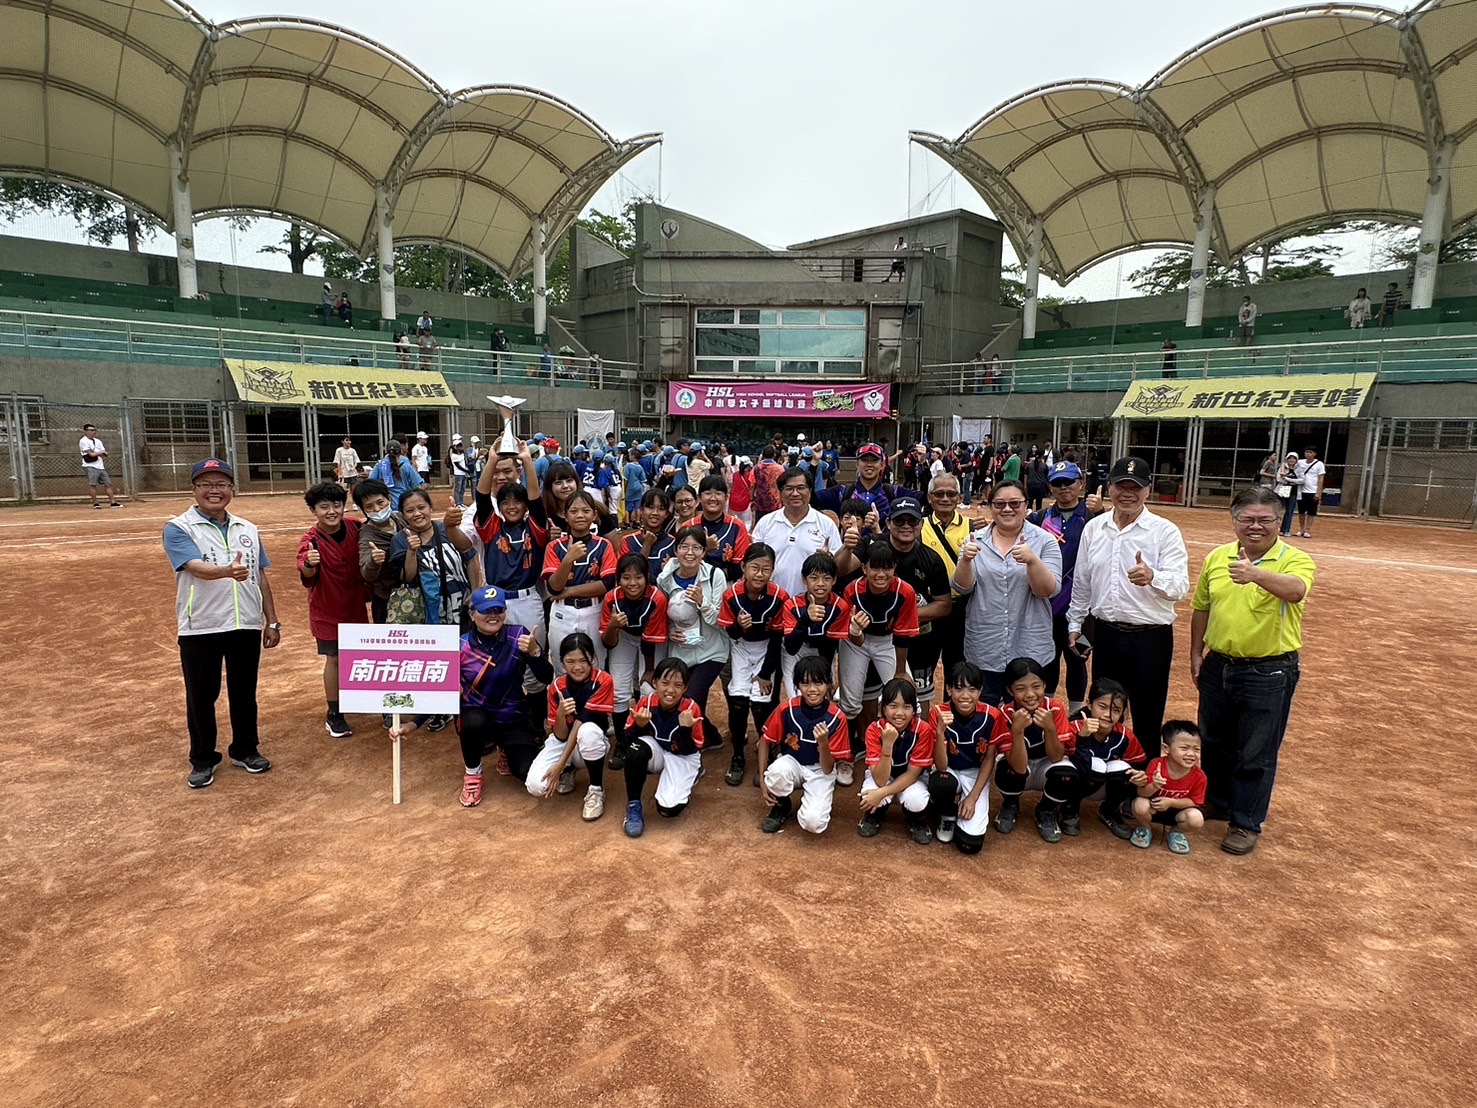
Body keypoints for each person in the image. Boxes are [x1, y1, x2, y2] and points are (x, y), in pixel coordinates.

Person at [1189, 485, 1315, 855]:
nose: (1255, 526)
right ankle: (1217, 800)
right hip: (1219, 664)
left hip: (1269, 670)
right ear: (1234, 521)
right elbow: (1202, 606)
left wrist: (1255, 573)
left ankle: (1245, 822)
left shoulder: (1295, 559)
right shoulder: (1217, 557)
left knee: (1256, 750)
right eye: (1247, 519)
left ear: (1279, 521)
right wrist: (1196, 653)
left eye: (1265, 520)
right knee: (1213, 741)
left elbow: (1296, 591)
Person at [164, 459, 281, 789]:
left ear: (232, 489)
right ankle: (202, 758)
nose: (214, 490)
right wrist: (227, 571)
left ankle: (246, 749)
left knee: (245, 693)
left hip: (244, 623)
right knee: (201, 696)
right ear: (194, 490)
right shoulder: (179, 527)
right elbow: (194, 566)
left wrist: (272, 621)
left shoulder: (248, 528)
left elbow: (259, 575)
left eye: (221, 484)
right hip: (201, 625)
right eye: (206, 484)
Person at [1066, 456, 1190, 760]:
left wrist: (1153, 577)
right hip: (1106, 634)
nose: (1128, 493)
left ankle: (1142, 786)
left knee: (1147, 713)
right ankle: (1102, 778)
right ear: (1110, 488)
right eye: (1121, 486)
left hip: (1151, 638)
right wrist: (1074, 625)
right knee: (1105, 712)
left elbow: (1180, 586)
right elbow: (1082, 582)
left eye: (1136, 487)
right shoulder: (1095, 529)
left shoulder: (1164, 531)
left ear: (1147, 491)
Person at [390, 585, 552, 807]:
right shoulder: (460, 646)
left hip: (513, 719)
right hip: (477, 718)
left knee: (528, 773)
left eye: (498, 609)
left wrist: (534, 653)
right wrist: (415, 724)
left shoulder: (520, 636)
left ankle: (505, 749)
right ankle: (473, 774)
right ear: (472, 614)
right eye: (487, 610)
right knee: (473, 720)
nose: (493, 616)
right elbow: (443, 693)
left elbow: (546, 677)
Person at [836, 496, 950, 713]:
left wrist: (904, 614)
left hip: (918, 637)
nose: (906, 526)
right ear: (888, 523)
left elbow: (943, 605)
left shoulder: (931, 559)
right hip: (867, 633)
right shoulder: (872, 544)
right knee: (864, 695)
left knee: (915, 694)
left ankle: (916, 743)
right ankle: (864, 742)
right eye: (899, 521)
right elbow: (842, 569)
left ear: (921, 523)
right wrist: (847, 548)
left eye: (912, 521)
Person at [952, 479, 1062, 704]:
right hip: (985, 645)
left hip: (1030, 646)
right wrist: (965, 560)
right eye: (999, 504)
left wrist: (1032, 561)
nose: (1007, 509)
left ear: (1026, 506)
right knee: (986, 715)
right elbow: (962, 587)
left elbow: (1047, 591)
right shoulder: (975, 540)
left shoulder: (1045, 541)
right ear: (991, 506)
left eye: (1014, 503)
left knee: (1028, 714)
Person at [838, 542, 921, 785]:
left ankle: (908, 752)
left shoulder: (904, 591)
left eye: (887, 568)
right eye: (875, 568)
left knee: (906, 697)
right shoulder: (852, 590)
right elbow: (855, 637)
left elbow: (903, 634)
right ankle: (846, 753)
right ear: (864, 568)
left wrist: (898, 673)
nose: (881, 574)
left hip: (888, 642)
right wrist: (856, 630)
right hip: (856, 641)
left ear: (895, 568)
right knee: (850, 703)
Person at [1028, 462, 1102, 714]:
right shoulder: (1040, 518)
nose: (1064, 488)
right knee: (1047, 659)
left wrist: (1101, 512)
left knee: (1077, 658)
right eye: (1057, 483)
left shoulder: (1094, 517)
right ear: (1049, 487)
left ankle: (1076, 713)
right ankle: (1046, 708)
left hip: (1081, 608)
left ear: (1081, 483)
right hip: (1046, 606)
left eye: (1069, 482)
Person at [296, 482, 367, 739]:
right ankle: (334, 713)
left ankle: (354, 699)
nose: (331, 511)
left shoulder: (355, 526)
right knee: (334, 659)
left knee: (356, 655)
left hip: (355, 606)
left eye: (336, 505)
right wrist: (310, 564)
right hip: (327, 610)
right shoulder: (310, 540)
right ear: (313, 510)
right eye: (323, 507)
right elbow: (306, 572)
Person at [719, 543, 789, 786]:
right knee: (738, 702)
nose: (759, 574)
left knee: (762, 703)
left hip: (767, 649)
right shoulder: (731, 595)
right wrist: (740, 626)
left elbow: (778, 636)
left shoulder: (780, 596)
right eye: (754, 568)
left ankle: (766, 749)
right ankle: (738, 754)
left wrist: (765, 673)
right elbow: (731, 632)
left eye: (765, 569)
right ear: (743, 567)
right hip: (740, 647)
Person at [757, 654, 851, 834]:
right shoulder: (787, 709)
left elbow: (827, 768)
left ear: (829, 684)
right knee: (776, 773)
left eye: (818, 683)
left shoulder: (837, 718)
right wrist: (762, 779)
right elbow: (764, 740)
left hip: (819, 770)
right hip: (792, 762)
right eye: (805, 683)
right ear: (797, 685)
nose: (812, 689)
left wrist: (823, 744)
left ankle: (815, 799)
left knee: (813, 823)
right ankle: (782, 805)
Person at [525, 632, 614, 821]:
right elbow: (559, 735)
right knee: (535, 785)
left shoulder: (603, 680)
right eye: (570, 661)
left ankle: (596, 789)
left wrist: (559, 764)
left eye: (583, 660)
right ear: (562, 662)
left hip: (590, 742)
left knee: (587, 732)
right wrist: (560, 715)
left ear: (593, 658)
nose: (577, 667)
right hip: (565, 741)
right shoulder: (557, 686)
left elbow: (581, 722)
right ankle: (570, 769)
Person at [656, 525, 728, 750]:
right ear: (676, 550)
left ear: (704, 552)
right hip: (681, 651)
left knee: (694, 695)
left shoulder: (715, 576)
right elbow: (660, 616)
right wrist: (669, 633)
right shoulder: (665, 579)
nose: (690, 553)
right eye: (684, 547)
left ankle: (692, 746)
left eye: (696, 548)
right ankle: (710, 736)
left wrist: (702, 603)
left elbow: (721, 621)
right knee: (682, 696)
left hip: (712, 649)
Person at [926, 662, 1009, 854]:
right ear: (948, 689)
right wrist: (939, 733)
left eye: (972, 689)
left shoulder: (992, 715)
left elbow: (989, 759)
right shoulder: (938, 713)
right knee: (940, 784)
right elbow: (940, 765)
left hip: (975, 773)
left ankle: (957, 808)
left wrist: (972, 797)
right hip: (948, 770)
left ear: (980, 691)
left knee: (969, 845)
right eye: (958, 688)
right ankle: (947, 814)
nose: (965, 696)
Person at [991, 656, 1076, 842]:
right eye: (1021, 689)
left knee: (1067, 773)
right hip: (1022, 766)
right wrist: (1017, 730)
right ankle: (1011, 804)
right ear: (1009, 690)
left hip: (1047, 764)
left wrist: (1050, 727)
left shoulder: (1054, 708)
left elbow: (1056, 757)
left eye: (1036, 686)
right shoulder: (1006, 714)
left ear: (1045, 685)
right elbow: (1019, 767)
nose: (1030, 694)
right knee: (1006, 770)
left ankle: (1045, 810)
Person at [620, 657, 706, 838]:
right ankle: (633, 806)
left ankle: (692, 777)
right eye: (665, 683)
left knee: (668, 810)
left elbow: (690, 749)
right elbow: (627, 742)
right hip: (658, 748)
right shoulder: (647, 702)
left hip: (682, 756)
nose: (670, 690)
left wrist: (685, 729)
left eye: (677, 685)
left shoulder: (691, 709)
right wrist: (639, 726)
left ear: (685, 688)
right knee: (635, 752)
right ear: (654, 683)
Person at [601, 553, 669, 756]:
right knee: (619, 691)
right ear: (618, 578)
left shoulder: (657, 597)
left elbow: (650, 638)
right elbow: (608, 642)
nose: (632, 583)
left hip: (652, 642)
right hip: (623, 636)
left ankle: (650, 738)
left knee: (649, 689)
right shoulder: (611, 598)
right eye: (626, 577)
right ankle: (622, 742)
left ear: (647, 577)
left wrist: (648, 670)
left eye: (638, 577)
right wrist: (612, 626)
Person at [543, 491, 617, 673]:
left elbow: (606, 584)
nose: (580, 515)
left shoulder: (603, 545)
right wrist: (568, 559)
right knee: (562, 666)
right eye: (574, 511)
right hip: (563, 611)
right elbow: (553, 586)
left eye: (586, 510)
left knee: (595, 666)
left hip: (594, 610)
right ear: (566, 516)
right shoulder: (555, 546)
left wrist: (569, 591)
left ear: (594, 515)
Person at [1066, 677, 1147, 840]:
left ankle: (1110, 810)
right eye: (1102, 706)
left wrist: (1141, 777)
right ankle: (1070, 809)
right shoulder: (1073, 728)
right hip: (1074, 784)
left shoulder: (1125, 736)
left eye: (1116, 710)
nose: (1108, 715)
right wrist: (1082, 737)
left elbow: (1140, 765)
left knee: (1125, 769)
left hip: (1104, 785)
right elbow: (1065, 765)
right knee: (1087, 765)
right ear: (1089, 704)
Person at [858, 678, 936, 842]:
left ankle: (914, 818)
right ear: (883, 708)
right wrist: (887, 745)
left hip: (911, 779)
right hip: (883, 776)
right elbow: (879, 779)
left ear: (914, 710)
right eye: (893, 706)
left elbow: (912, 775)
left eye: (906, 706)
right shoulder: (874, 730)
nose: (899, 713)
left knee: (916, 800)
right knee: (868, 794)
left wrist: (880, 794)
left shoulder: (924, 730)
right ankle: (876, 814)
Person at [386, 488, 473, 635]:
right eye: (410, 510)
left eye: (421, 507)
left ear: (430, 507)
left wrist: (475, 591)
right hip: (427, 613)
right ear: (403, 514)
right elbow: (407, 577)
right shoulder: (400, 540)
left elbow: (470, 558)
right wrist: (411, 551)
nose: (417, 514)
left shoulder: (446, 529)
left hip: (461, 606)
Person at [750, 465, 842, 599]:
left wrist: (828, 559)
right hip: (771, 602)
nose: (795, 493)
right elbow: (753, 563)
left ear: (810, 491)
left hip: (812, 604)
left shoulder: (826, 524)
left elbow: (838, 566)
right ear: (780, 492)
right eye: (789, 489)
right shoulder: (766, 523)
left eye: (800, 488)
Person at [919, 472, 972, 679]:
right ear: (929, 497)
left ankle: (955, 709)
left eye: (951, 494)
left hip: (962, 609)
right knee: (923, 664)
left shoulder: (972, 527)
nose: (945, 499)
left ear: (959, 498)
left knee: (957, 666)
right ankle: (921, 710)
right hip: (929, 607)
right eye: (939, 493)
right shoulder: (918, 526)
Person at [779, 550, 851, 700]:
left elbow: (830, 645)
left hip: (823, 652)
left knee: (821, 697)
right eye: (814, 578)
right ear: (804, 580)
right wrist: (806, 619)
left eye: (826, 578)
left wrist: (827, 676)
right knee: (798, 698)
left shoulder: (840, 606)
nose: (820, 584)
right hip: (797, 650)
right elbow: (791, 647)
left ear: (834, 580)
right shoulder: (792, 605)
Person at [1130, 721, 1207, 853]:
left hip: (1178, 812)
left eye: (1196, 749)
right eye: (1184, 748)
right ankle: (1145, 827)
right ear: (1166, 749)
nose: (1191, 754)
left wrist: (1171, 802)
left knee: (1196, 818)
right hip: (1153, 808)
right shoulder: (1156, 765)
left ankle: (1176, 832)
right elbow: (1141, 793)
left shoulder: (1200, 776)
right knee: (1139, 804)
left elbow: (1194, 802)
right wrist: (1154, 785)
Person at [815, 442, 918, 528]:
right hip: (850, 549)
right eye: (864, 460)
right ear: (857, 464)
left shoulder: (894, 493)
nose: (869, 464)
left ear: (882, 465)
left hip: (884, 550)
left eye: (874, 460)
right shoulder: (842, 492)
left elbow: (929, 499)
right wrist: (814, 464)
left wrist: (923, 464)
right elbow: (810, 499)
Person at [683, 474, 751, 582]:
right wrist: (705, 549)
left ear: (726, 498)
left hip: (727, 586)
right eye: (708, 493)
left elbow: (740, 567)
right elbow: (683, 565)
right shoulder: (688, 527)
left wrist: (714, 578)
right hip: (692, 584)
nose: (713, 498)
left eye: (718, 494)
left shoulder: (737, 526)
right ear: (699, 498)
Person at [353, 478, 400, 624]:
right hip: (387, 600)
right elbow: (367, 573)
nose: (377, 509)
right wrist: (374, 561)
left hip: (416, 594)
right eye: (369, 506)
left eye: (380, 502)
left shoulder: (400, 518)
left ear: (389, 499)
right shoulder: (367, 536)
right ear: (363, 510)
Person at [620, 488, 676, 581]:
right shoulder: (628, 541)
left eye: (661, 509)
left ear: (666, 514)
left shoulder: (673, 542)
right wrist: (647, 545)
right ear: (641, 510)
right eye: (650, 507)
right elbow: (628, 578)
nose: (655, 513)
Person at [78, 422, 122, 508]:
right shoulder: (83, 441)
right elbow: (91, 454)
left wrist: (99, 453)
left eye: (94, 430)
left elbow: (104, 454)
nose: (93, 432)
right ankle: (96, 503)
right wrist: (100, 453)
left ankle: (113, 502)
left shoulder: (98, 441)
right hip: (90, 466)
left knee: (108, 484)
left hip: (100, 465)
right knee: (93, 484)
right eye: (91, 430)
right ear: (86, 431)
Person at [369, 440, 422, 511]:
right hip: (404, 504)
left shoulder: (379, 465)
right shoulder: (406, 466)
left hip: (386, 506)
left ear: (386, 452)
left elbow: (371, 484)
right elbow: (417, 485)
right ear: (400, 452)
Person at [1296, 446, 1326, 538]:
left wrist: (1318, 492)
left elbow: (1321, 479)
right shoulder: (1299, 462)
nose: (1308, 454)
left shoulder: (1319, 464)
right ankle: (1301, 529)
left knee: (1311, 512)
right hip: (1301, 490)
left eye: (1310, 452)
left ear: (1314, 454)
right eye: (1306, 452)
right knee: (1301, 511)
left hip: (1312, 491)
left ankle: (1307, 530)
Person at [750, 446, 785, 519]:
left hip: (760, 502)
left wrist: (752, 498)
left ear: (762, 455)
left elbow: (752, 485)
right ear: (774, 455)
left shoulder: (756, 468)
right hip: (775, 502)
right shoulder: (780, 468)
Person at [1276, 451, 1301, 537]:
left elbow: (1302, 480)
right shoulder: (1283, 467)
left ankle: (1286, 530)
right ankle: (1277, 529)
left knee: (1290, 511)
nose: (1291, 460)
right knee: (1280, 510)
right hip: (1283, 490)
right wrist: (1292, 481)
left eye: (1294, 458)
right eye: (1290, 458)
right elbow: (1279, 479)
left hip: (1293, 492)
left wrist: (1288, 479)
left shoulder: (1299, 469)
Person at [729, 456, 754, 528]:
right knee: (747, 522)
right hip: (745, 501)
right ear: (749, 466)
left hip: (734, 501)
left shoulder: (735, 475)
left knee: (738, 521)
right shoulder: (750, 475)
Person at [446, 436, 471, 506]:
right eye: (457, 446)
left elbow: (464, 463)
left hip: (464, 474)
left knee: (462, 489)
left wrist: (468, 469)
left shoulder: (462, 454)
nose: (459, 447)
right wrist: (466, 470)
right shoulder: (454, 455)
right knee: (458, 489)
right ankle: (458, 503)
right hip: (458, 473)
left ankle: (461, 502)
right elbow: (458, 466)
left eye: (460, 445)